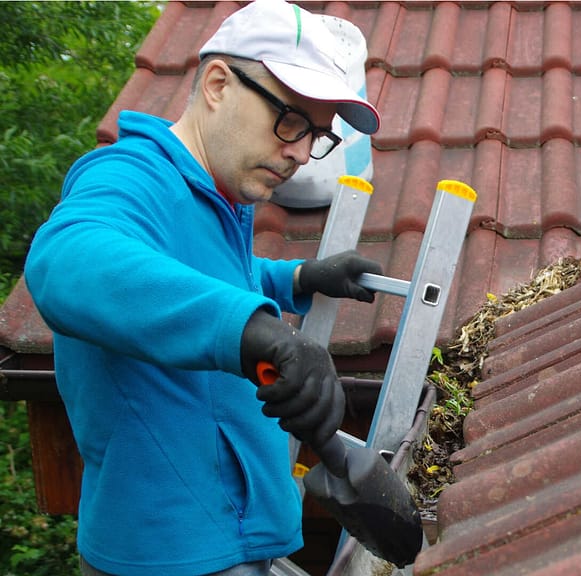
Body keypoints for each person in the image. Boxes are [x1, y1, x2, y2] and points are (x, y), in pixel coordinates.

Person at [23, 1, 384, 574]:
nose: (299, 151)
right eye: (291, 120)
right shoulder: (132, 177)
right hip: (174, 552)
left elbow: (199, 277)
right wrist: (255, 331)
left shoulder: (217, 193)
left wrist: (294, 278)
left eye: (315, 135)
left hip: (228, 533)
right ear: (218, 84)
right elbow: (67, 259)